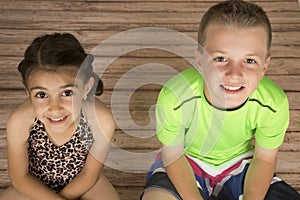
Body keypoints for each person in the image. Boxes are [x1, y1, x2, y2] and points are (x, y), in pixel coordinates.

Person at [141, 0, 300, 200]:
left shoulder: (273, 103)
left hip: (241, 163)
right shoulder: (175, 97)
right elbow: (173, 155)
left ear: (264, 67)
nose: (234, 74)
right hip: (186, 160)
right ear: (200, 62)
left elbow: (264, 158)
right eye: (220, 59)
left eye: (249, 61)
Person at [0, 33, 120, 200]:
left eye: (67, 93)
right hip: (33, 184)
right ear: (28, 92)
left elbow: (90, 175)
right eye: (41, 95)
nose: (54, 108)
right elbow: (20, 178)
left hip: (83, 182)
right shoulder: (20, 120)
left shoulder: (101, 120)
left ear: (86, 87)